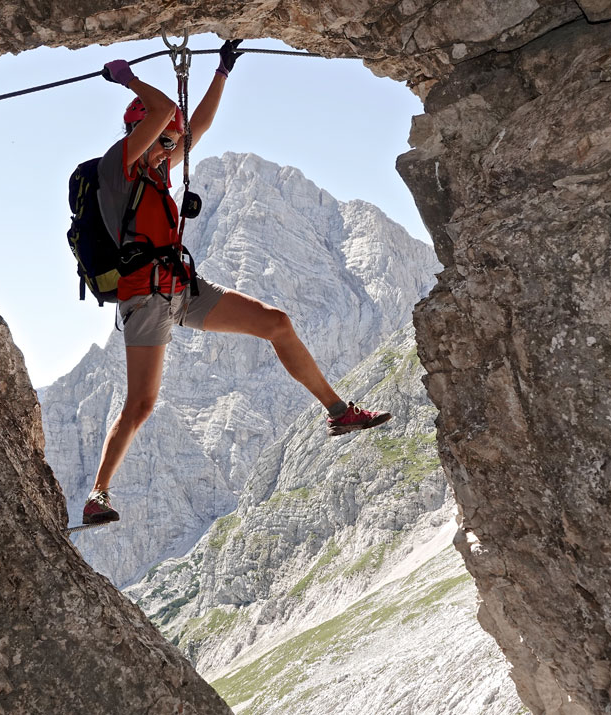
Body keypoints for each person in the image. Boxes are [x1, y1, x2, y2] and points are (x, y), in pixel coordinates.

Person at [83, 40, 391, 525]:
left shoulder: (158, 168)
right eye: (164, 140)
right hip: (144, 296)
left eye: (172, 142)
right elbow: (166, 109)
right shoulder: (116, 168)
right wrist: (128, 80)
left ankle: (337, 411)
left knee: (276, 323)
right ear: (139, 131)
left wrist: (222, 70)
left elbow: (197, 124)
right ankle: (98, 494)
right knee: (141, 404)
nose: (172, 149)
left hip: (181, 286)